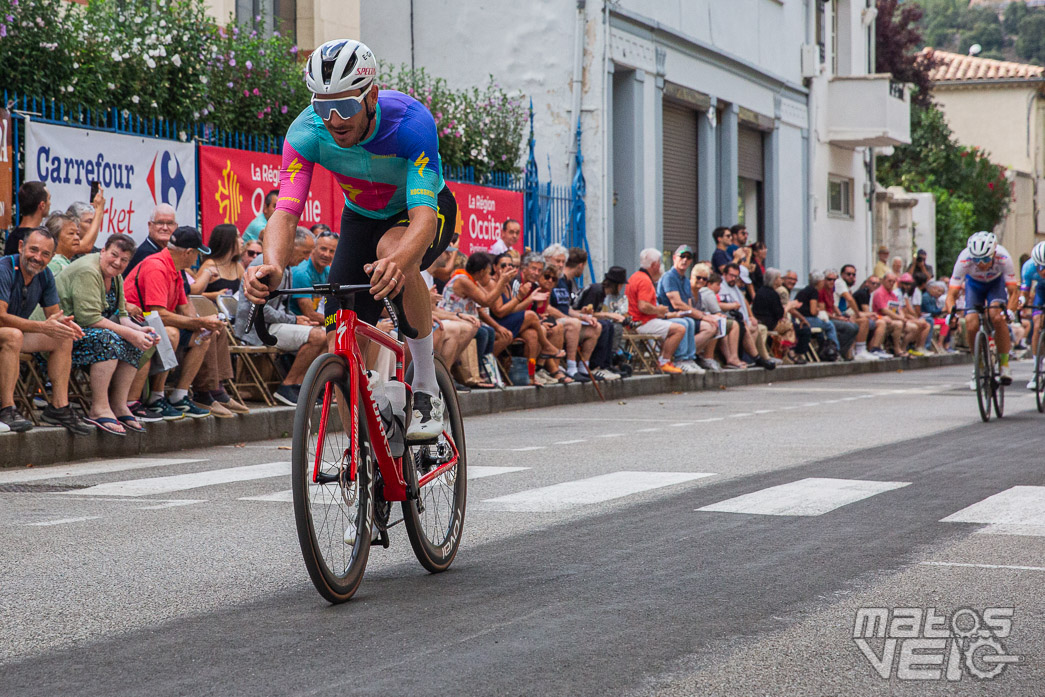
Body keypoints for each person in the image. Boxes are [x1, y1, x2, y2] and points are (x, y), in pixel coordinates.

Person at [245, 39, 455, 440]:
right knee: (338, 336)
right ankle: (359, 448)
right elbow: (285, 212)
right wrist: (270, 263)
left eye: (345, 106)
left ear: (371, 95)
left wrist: (401, 261)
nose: (334, 119)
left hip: (419, 212)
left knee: (392, 251)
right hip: (361, 217)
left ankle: (427, 388)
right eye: (323, 107)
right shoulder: (305, 131)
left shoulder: (410, 122)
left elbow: (424, 218)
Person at [54, 234, 158, 435]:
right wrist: (129, 333)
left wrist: (141, 332)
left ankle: (119, 404)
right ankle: (99, 407)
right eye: (114, 255)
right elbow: (89, 319)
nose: (117, 262)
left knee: (135, 341)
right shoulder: (88, 270)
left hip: (85, 332)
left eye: (124, 260)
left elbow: (123, 316)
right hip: (61, 333)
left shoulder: (116, 277)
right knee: (109, 339)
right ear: (103, 251)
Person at [124, 227, 224, 419]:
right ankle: (156, 396)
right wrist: (200, 321)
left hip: (151, 322)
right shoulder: (156, 266)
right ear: (188, 252)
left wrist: (203, 325)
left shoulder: (174, 268)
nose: (196, 259)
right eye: (196, 254)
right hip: (135, 323)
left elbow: (185, 307)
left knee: (202, 337)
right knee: (171, 333)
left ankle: (180, 395)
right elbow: (158, 315)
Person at [0, 227, 90, 433]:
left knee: (62, 337)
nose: (38, 258)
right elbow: (1, 317)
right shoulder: (4, 268)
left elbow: (55, 316)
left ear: (51, 257)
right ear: (21, 247)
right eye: (33, 250)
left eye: (45, 254)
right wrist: (43, 326)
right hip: (6, 330)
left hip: (13, 334)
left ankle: (59, 406)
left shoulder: (44, 275)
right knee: (14, 334)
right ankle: (7, 408)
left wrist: (66, 324)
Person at [234, 229, 327, 406]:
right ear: (291, 246)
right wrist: (294, 320)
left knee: (326, 334)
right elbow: (263, 310)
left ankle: (302, 386)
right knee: (319, 336)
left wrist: (299, 319)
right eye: (305, 252)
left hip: (273, 324)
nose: (307, 258)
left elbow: (280, 305)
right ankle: (288, 386)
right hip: (258, 328)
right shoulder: (266, 264)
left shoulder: (286, 266)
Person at [944, 231, 1019, 387]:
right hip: (974, 285)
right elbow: (952, 294)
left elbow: (1013, 292)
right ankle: (978, 366)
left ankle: (1004, 364)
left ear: (994, 253)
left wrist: (1011, 312)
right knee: (971, 324)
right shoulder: (964, 259)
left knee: (996, 316)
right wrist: (951, 314)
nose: (981, 264)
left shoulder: (1004, 258)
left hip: (995, 284)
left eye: (985, 259)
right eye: (976, 259)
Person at [626, 248, 686, 374]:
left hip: (634, 321)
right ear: (654, 265)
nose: (660, 266)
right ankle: (664, 361)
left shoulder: (635, 277)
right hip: (642, 322)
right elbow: (643, 306)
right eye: (659, 263)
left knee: (671, 327)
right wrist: (658, 310)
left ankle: (664, 360)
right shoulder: (645, 280)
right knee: (679, 329)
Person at [655, 245, 712, 374]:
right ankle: (680, 359)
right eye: (682, 256)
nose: (685, 260)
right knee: (686, 322)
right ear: (674, 258)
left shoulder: (686, 281)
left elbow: (688, 304)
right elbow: (677, 304)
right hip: (668, 316)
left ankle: (689, 358)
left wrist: (701, 315)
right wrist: (701, 315)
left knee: (709, 324)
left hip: (681, 315)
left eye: (688, 257)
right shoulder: (669, 277)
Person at [752, 267, 809, 364]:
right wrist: (789, 306)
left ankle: (786, 353)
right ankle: (788, 354)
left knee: (789, 326)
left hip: (762, 321)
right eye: (779, 278)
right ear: (774, 280)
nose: (781, 280)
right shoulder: (773, 294)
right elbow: (779, 315)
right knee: (790, 326)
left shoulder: (760, 291)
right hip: (770, 324)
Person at [821, 269, 874, 361]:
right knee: (852, 326)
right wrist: (842, 316)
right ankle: (842, 352)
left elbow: (835, 306)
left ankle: (860, 350)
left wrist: (843, 316)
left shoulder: (831, 291)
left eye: (854, 274)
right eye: (829, 279)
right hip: (827, 319)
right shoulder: (824, 291)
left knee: (863, 322)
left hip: (837, 315)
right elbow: (822, 310)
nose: (833, 282)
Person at [289, 228, 336, 323]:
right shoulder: (302, 272)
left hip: (318, 321)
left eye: (332, 251)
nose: (327, 254)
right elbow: (309, 314)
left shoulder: (328, 270)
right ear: (313, 249)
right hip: (299, 322)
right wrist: (340, 322)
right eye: (323, 249)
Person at [192, 224, 245, 303]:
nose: (242, 241)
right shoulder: (210, 265)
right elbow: (193, 294)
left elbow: (246, 290)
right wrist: (214, 295)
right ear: (227, 240)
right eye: (238, 236)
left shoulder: (238, 266)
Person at [124, 204, 177, 277]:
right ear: (150, 226)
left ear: (176, 227)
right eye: (160, 223)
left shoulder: (171, 252)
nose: (165, 228)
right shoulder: (145, 255)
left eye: (170, 223)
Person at [872, 273, 916, 357]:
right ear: (883, 281)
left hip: (894, 319)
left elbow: (898, 308)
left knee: (913, 327)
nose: (891, 283)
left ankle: (903, 348)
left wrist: (902, 317)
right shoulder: (879, 293)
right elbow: (884, 310)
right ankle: (896, 349)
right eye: (889, 281)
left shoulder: (892, 294)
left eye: (893, 282)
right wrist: (900, 318)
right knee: (898, 324)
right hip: (882, 318)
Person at [1020, 241, 1045, 388]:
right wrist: (1022, 301)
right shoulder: (1028, 267)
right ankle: (1036, 369)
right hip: (1041, 291)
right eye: (1040, 267)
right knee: (1037, 323)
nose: (1043, 271)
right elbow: (1025, 291)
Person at [3, 182, 50, 257]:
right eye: (49, 199)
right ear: (42, 205)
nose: (50, 203)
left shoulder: (12, 237)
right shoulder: (33, 238)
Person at [65, 187, 106, 258]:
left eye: (94, 221)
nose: (94, 225)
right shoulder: (66, 248)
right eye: (89, 222)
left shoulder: (98, 253)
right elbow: (86, 247)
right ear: (74, 224)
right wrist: (99, 210)